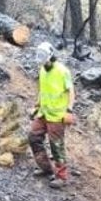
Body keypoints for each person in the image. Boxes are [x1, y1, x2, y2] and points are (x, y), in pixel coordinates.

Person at [28, 43, 76, 187]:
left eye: (44, 59)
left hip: (57, 116)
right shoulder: (42, 70)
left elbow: (71, 92)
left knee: (56, 145)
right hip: (44, 112)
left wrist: (69, 110)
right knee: (33, 137)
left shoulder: (62, 71)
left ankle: (62, 177)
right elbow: (43, 90)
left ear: (51, 56)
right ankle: (45, 168)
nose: (43, 62)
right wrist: (37, 106)